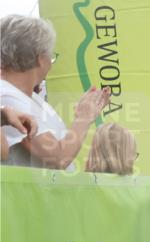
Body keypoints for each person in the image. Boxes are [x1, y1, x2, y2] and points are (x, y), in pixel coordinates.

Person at [0, 14, 110, 170]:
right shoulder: (6, 95)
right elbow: (58, 158)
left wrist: (82, 113)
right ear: (40, 58)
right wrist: (84, 117)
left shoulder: (27, 97)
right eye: (51, 57)